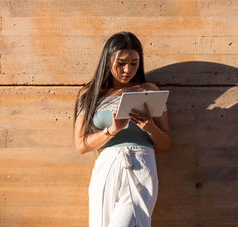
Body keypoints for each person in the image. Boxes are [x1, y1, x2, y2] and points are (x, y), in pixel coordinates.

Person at [73, 31, 171, 227]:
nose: (127, 69)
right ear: (108, 61)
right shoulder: (90, 93)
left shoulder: (149, 90)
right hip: (107, 166)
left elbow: (165, 143)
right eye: (121, 63)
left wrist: (149, 126)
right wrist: (111, 130)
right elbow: (81, 145)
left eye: (134, 63)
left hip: (141, 165)